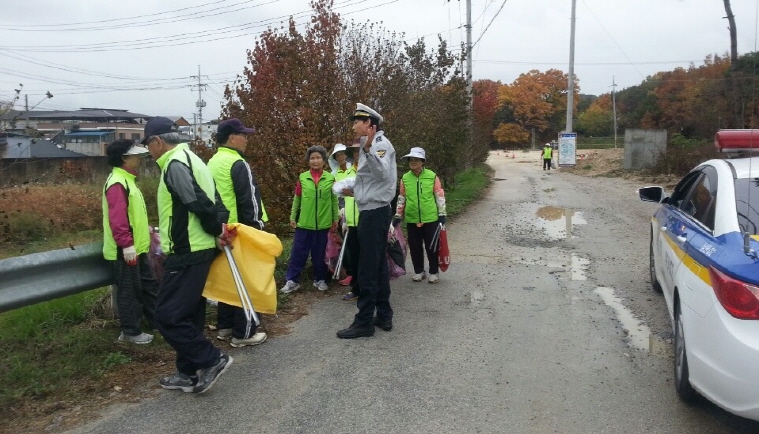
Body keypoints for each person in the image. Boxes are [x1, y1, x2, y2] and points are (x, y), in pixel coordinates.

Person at [142, 117, 234, 394]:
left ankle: (211, 359)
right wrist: (218, 227)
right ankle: (187, 372)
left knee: (166, 316)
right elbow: (217, 201)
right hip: (201, 247)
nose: (148, 151)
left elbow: (196, 201)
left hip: (187, 250)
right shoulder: (195, 159)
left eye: (148, 144)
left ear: (158, 141)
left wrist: (214, 227)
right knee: (189, 314)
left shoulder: (174, 164)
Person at [337, 103, 397, 339]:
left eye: (356, 122)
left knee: (368, 268)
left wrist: (370, 148)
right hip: (372, 209)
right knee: (379, 266)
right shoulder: (368, 146)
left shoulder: (378, 145)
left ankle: (363, 322)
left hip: (375, 213)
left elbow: (382, 173)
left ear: (370, 125)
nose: (353, 126)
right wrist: (354, 190)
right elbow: (372, 181)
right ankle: (383, 315)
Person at [207, 118, 267, 348]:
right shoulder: (237, 163)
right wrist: (257, 228)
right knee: (245, 281)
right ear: (233, 138)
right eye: (244, 135)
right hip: (239, 232)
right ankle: (245, 332)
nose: (247, 139)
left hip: (219, 232)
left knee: (227, 279)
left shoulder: (212, 162)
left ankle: (225, 326)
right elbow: (248, 202)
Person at [102, 139, 158, 345]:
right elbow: (118, 219)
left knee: (149, 285)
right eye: (136, 155)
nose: (140, 158)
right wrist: (126, 245)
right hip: (126, 249)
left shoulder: (127, 180)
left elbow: (132, 216)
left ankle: (158, 323)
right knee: (129, 290)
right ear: (124, 158)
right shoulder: (118, 183)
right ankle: (130, 332)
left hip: (137, 247)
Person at [279, 145, 339, 294]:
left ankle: (320, 279)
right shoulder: (302, 177)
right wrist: (293, 217)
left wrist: (335, 219)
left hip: (323, 225)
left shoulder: (330, 178)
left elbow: (334, 201)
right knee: (298, 253)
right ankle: (292, 281)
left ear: (324, 160)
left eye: (318, 157)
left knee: (320, 255)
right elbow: (297, 199)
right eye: (312, 158)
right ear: (308, 161)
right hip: (304, 224)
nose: (315, 161)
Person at [394, 147, 447, 284]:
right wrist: (398, 214)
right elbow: (402, 197)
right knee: (415, 246)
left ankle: (434, 271)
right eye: (411, 160)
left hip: (431, 218)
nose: (413, 162)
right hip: (412, 218)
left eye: (416, 159)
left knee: (432, 246)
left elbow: (439, 195)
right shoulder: (405, 178)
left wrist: (442, 214)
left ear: (422, 161)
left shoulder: (432, 176)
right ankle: (419, 271)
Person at [337, 140, 361, 301]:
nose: (358, 154)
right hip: (351, 222)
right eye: (355, 152)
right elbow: (343, 199)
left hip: (367, 221)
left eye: (360, 151)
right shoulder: (346, 174)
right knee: (355, 257)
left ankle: (372, 289)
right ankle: (358, 288)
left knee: (369, 257)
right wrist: (344, 218)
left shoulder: (371, 172)